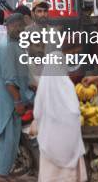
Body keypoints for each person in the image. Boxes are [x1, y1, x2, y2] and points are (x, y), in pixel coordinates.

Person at [0, 14, 34, 181]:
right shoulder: (7, 46)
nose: (20, 29)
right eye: (16, 26)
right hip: (7, 97)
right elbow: (9, 81)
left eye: (21, 26)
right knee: (7, 137)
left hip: (12, 94)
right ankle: (2, 175)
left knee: (13, 137)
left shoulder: (17, 43)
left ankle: (5, 172)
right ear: (7, 27)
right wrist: (17, 101)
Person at [32, 51, 87, 182]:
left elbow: (37, 113)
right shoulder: (67, 85)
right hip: (69, 141)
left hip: (49, 139)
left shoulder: (44, 86)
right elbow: (75, 111)